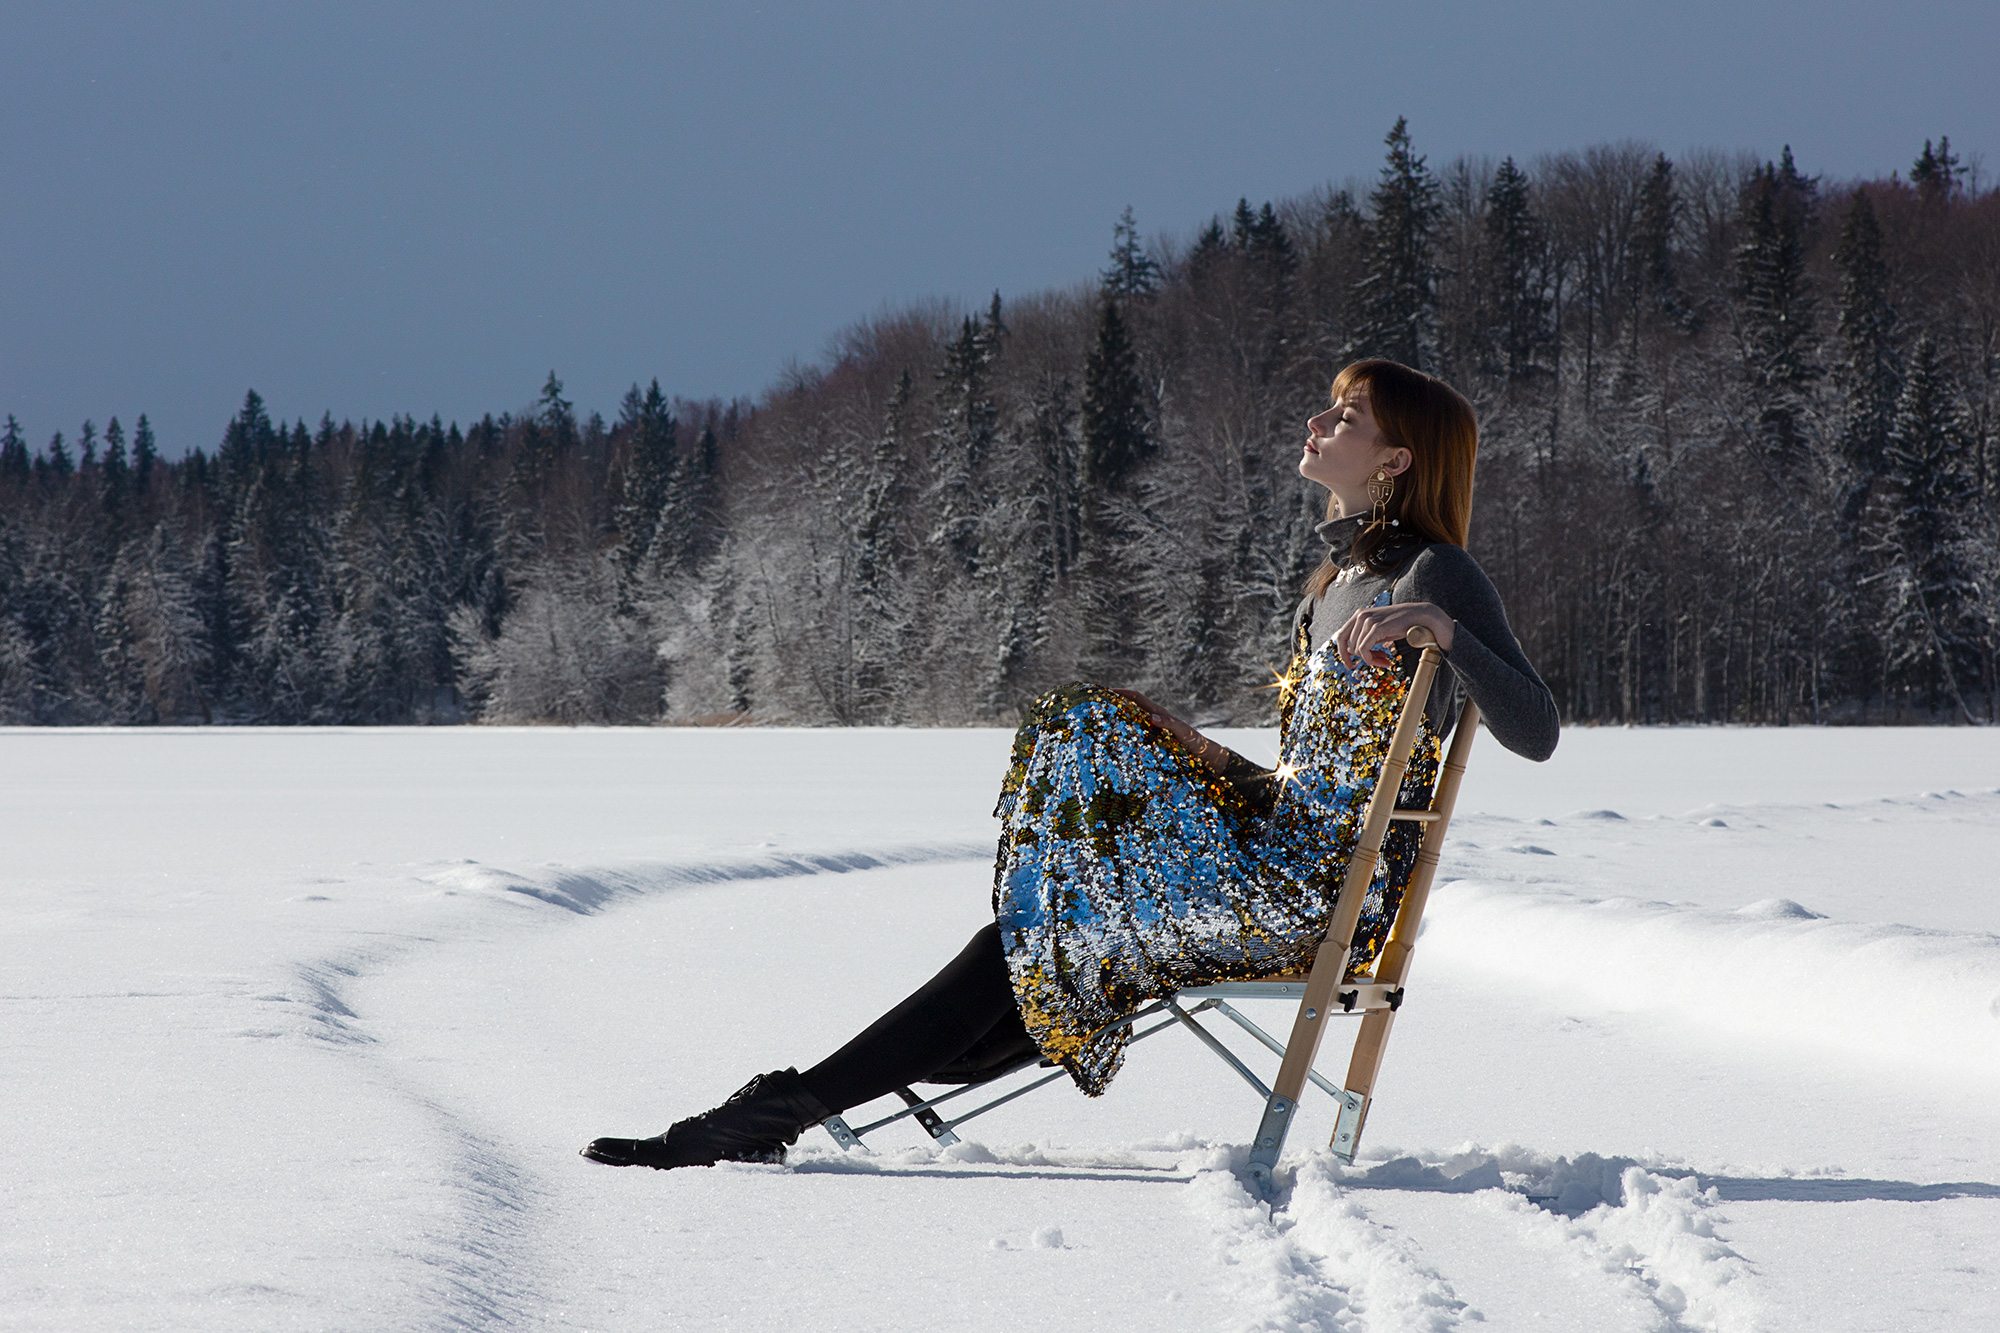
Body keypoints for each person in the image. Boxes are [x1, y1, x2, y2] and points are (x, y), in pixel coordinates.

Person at [583, 359, 1558, 1171]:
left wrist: (1443, 629)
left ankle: (773, 1110)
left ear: (1394, 457)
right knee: (1038, 925)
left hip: (1321, 895)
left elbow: (1535, 728)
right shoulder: (1330, 591)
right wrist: (1202, 748)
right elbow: (1314, 781)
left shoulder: (1432, 571)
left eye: (1344, 414)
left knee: (1032, 935)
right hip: (1282, 856)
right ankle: (787, 1106)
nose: (1315, 418)